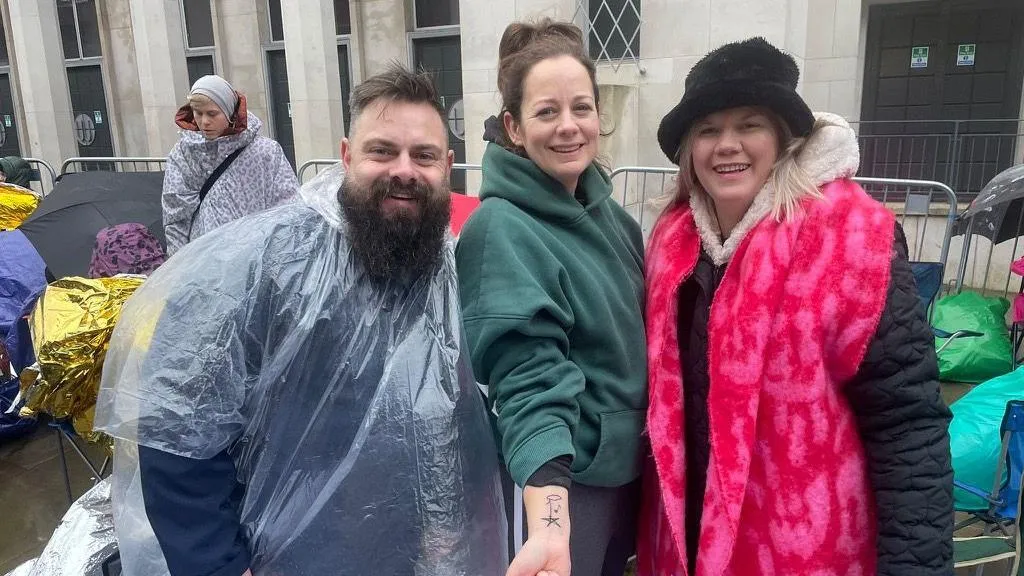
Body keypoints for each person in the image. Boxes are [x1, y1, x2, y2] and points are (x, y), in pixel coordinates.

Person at [94, 66, 507, 576]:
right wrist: (220, 564)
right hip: (281, 557)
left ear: (447, 166)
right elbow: (178, 419)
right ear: (345, 155)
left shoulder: (451, 269)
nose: (404, 170)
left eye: (423, 156)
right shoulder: (265, 262)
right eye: (382, 151)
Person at [638, 37, 953, 576]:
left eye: (749, 125)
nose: (727, 145)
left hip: (807, 551)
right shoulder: (671, 242)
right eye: (709, 130)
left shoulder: (851, 240)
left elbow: (906, 423)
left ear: (783, 137)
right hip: (685, 546)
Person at [456, 19, 647, 576]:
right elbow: (527, 380)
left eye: (581, 108)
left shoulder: (615, 220)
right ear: (513, 127)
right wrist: (550, 523)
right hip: (564, 482)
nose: (568, 127)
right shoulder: (501, 229)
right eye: (547, 112)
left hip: (630, 475)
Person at [162, 74, 298, 256]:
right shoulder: (183, 155)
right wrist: (179, 267)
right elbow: (176, 217)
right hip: (204, 262)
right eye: (198, 113)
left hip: (255, 258)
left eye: (212, 114)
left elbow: (288, 207)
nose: (204, 121)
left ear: (229, 111)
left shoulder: (265, 151)